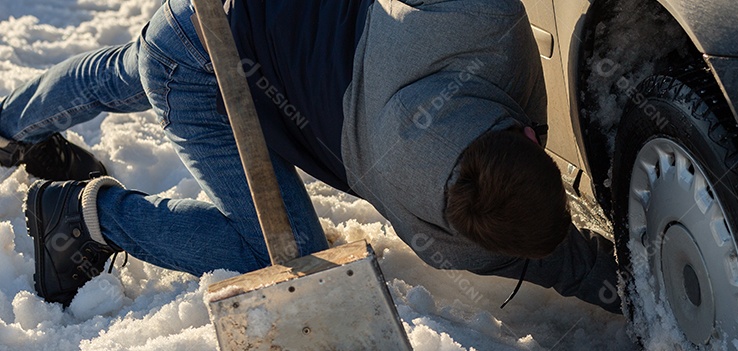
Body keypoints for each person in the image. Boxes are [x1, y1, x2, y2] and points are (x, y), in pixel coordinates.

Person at [1, 0, 622, 311]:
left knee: (135, 67)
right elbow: (574, 267)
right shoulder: (456, 244)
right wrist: (645, 296)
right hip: (206, 63)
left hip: (211, 21)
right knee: (283, 250)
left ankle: (10, 125)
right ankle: (85, 218)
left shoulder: (479, 20)